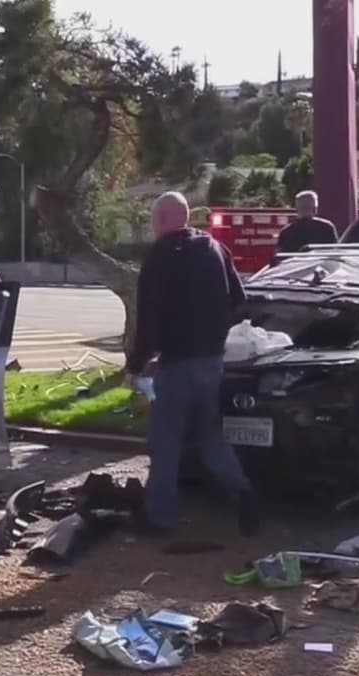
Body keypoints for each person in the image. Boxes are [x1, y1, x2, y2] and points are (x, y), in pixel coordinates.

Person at [126, 191, 259, 537]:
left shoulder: (159, 257)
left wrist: (136, 364)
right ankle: (242, 491)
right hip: (212, 361)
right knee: (210, 435)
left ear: (163, 219)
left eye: (155, 220)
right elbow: (239, 300)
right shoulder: (216, 249)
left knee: (165, 439)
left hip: (175, 364)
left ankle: (161, 517)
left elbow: (149, 319)